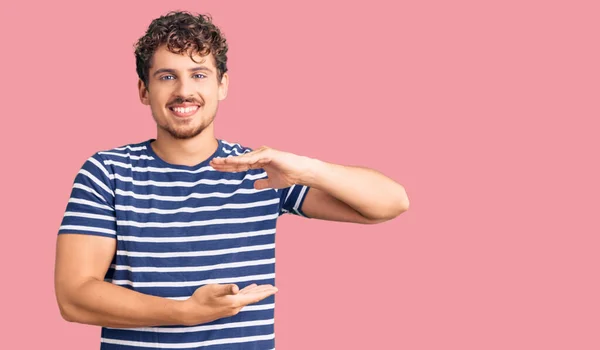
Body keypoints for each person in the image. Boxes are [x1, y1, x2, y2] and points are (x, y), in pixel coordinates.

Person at [54, 10, 410, 350]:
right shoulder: (107, 172)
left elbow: (391, 203)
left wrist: (307, 168)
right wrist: (183, 313)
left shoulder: (261, 169)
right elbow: (74, 298)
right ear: (144, 91)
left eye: (199, 74)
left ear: (222, 85)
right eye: (167, 76)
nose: (183, 90)